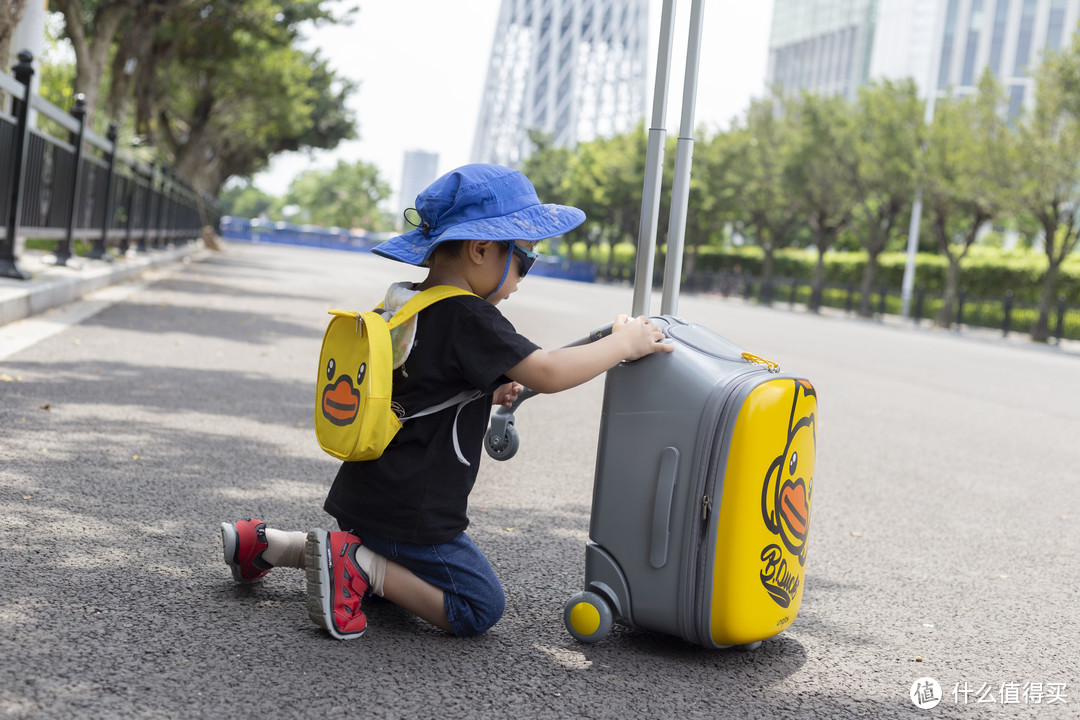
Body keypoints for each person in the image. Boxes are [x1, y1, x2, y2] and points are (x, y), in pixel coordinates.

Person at [220, 163, 672, 639]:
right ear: (481, 250)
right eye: (525, 260)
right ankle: (357, 565)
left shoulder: (403, 302)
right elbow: (550, 372)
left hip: (363, 495)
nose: (523, 278)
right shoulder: (468, 316)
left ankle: (270, 545)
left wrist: (484, 389)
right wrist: (625, 343)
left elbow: (420, 383)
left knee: (383, 563)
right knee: (478, 605)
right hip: (414, 513)